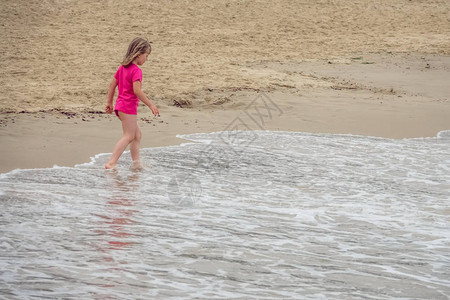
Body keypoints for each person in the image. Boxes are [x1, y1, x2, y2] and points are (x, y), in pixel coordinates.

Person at [105, 37, 159, 170]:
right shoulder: (136, 70)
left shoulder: (122, 68)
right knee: (129, 136)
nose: (146, 59)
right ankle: (112, 162)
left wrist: (110, 103)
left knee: (137, 135)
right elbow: (137, 91)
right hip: (128, 107)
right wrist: (150, 104)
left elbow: (112, 85)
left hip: (120, 106)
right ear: (139, 54)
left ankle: (136, 164)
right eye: (146, 56)